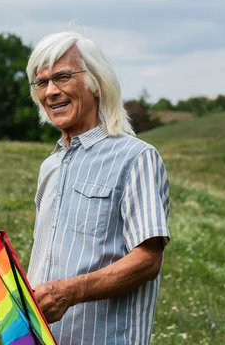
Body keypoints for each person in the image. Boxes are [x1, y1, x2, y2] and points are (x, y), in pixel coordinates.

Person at [25, 32, 170, 344]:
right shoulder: (50, 166)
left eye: (62, 76)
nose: (51, 91)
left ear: (95, 83)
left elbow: (147, 260)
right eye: (42, 82)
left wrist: (70, 292)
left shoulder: (135, 157)